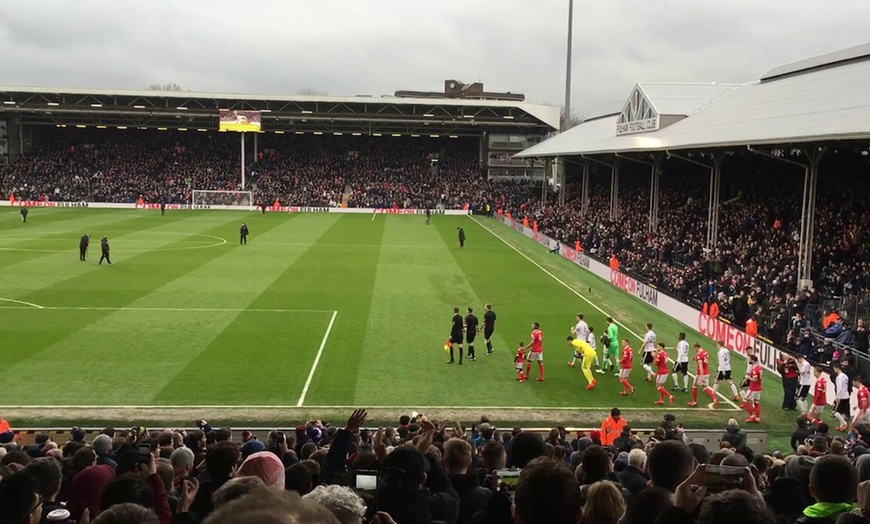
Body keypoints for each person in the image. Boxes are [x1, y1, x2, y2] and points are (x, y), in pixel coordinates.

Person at [688, 343, 718, 407]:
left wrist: (701, 377)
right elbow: (706, 361)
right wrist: (695, 359)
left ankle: (694, 402)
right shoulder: (705, 352)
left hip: (701, 374)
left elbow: (701, 367)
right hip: (707, 373)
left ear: (697, 347)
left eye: (695, 349)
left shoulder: (699, 355)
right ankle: (714, 399)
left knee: (694, 386)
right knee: (705, 388)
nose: (695, 350)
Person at [744, 354, 764, 423]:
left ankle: (752, 416)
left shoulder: (755, 369)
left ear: (752, 360)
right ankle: (758, 418)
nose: (748, 360)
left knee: (745, 401)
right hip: (759, 388)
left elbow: (755, 379)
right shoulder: (759, 367)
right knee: (756, 403)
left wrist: (748, 377)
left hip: (753, 388)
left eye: (749, 359)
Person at [833, 364, 851, 431]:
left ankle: (844, 423)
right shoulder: (845, 376)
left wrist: (837, 397)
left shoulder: (839, 377)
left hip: (841, 396)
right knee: (841, 412)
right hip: (846, 395)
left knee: (835, 411)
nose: (834, 370)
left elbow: (839, 388)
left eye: (834, 368)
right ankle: (841, 426)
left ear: (837, 368)